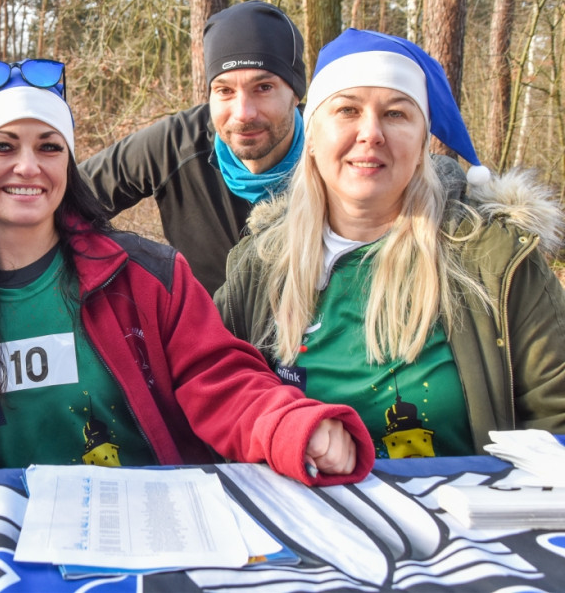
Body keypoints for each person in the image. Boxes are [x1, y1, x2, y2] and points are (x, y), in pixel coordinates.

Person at [0, 58, 374, 484]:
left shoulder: (147, 277)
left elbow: (221, 381)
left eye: (49, 147)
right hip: (8, 539)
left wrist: (291, 427)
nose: (28, 166)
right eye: (3, 147)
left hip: (149, 526)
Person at [216, 28, 565, 460]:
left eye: (396, 114)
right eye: (347, 110)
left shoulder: (494, 260)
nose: (371, 133)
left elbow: (556, 420)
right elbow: (218, 394)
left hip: (461, 519)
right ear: (311, 139)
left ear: (421, 144)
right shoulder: (260, 263)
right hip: (304, 517)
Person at [79, 1, 307, 294]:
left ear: (296, 92)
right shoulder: (177, 144)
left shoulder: (334, 151)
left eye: (263, 88)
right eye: (225, 91)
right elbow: (61, 203)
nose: (244, 113)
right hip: (209, 338)